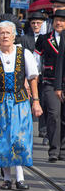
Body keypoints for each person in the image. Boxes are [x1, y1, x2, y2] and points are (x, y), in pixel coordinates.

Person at [0, 21, 42, 190]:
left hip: (20, 103)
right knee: (1, 140)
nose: (5, 36)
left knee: (19, 139)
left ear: (14, 36)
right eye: (1, 33)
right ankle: (7, 178)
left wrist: (36, 101)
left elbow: (32, 78)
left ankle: (20, 177)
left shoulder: (24, 54)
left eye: (8, 33)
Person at [35, 9, 65, 162]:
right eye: (56, 20)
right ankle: (54, 150)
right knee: (54, 115)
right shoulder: (44, 39)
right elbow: (36, 60)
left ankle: (63, 148)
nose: (59, 23)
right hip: (50, 82)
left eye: (62, 20)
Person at [23, 12, 48, 143]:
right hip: (29, 74)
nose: (36, 25)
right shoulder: (25, 38)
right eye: (33, 23)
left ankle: (43, 130)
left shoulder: (46, 38)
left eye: (38, 23)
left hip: (43, 74)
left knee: (43, 100)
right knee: (29, 100)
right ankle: (27, 128)